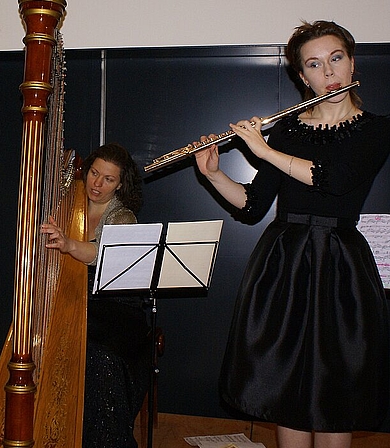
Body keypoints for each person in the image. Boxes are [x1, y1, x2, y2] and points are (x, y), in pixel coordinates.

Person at [194, 20, 390, 448]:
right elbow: (252, 206)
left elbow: (335, 180)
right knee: (286, 386)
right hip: (284, 266)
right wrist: (213, 176)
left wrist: (263, 150)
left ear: (352, 62)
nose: (328, 72)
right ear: (303, 76)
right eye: (315, 65)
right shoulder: (288, 129)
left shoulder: (377, 128)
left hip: (340, 268)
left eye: (336, 59)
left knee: (335, 389)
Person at [41, 143, 150, 447]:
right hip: (76, 301)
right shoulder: (67, 207)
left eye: (108, 179)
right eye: (93, 173)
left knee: (98, 356)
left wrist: (70, 245)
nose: (97, 184)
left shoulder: (123, 218)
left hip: (116, 308)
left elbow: (100, 254)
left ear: (121, 184)